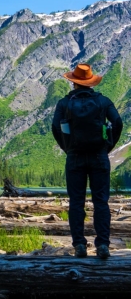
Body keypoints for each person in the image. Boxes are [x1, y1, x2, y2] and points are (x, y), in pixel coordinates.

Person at [52, 63, 122, 259]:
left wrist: (67, 148)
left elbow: (56, 128)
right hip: (99, 156)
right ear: (90, 82)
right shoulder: (103, 101)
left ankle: (79, 245)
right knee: (101, 202)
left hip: (74, 157)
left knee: (76, 202)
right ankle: (102, 245)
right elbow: (117, 123)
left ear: (74, 83)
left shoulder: (64, 103)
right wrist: (108, 146)